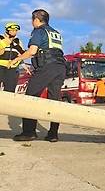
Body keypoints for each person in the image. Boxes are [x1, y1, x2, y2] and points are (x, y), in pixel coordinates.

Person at [10, 9, 65, 142]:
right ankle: (53, 134)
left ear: (36, 20)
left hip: (47, 67)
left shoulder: (39, 31)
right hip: (61, 67)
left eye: (32, 20)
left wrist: (17, 59)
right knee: (54, 101)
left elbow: (32, 51)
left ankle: (29, 132)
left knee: (30, 97)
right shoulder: (56, 33)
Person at [0, 22, 25, 93]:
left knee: (10, 91)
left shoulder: (18, 41)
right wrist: (7, 41)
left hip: (12, 68)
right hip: (0, 66)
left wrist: (24, 65)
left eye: (16, 30)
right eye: (12, 30)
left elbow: (21, 54)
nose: (15, 32)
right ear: (7, 30)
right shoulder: (1, 38)